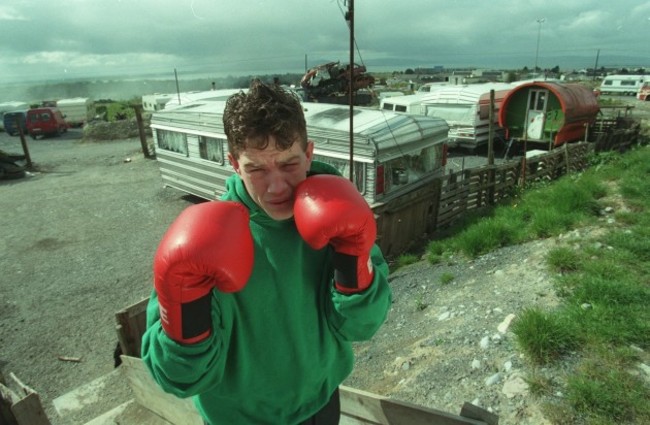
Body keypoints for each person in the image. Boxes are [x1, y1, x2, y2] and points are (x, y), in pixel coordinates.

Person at [141, 79, 392, 425]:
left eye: (288, 164)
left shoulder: (339, 215)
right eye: (256, 169)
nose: (276, 187)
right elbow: (178, 377)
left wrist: (353, 265)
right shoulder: (206, 242)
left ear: (309, 154)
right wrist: (185, 320)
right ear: (233, 163)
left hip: (321, 404)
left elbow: (363, 325)